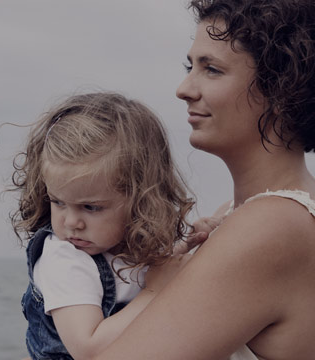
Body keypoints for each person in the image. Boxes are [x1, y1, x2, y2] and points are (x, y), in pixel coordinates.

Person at [88, 0, 315, 359]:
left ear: (282, 89)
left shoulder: (272, 225)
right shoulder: (243, 214)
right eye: (190, 66)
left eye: (212, 69)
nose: (184, 88)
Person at [9, 91, 194, 359]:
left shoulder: (116, 248)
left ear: (140, 199)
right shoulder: (65, 261)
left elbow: (143, 276)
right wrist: (155, 292)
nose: (71, 222)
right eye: (58, 202)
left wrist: (189, 244)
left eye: (91, 207)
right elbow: (89, 349)